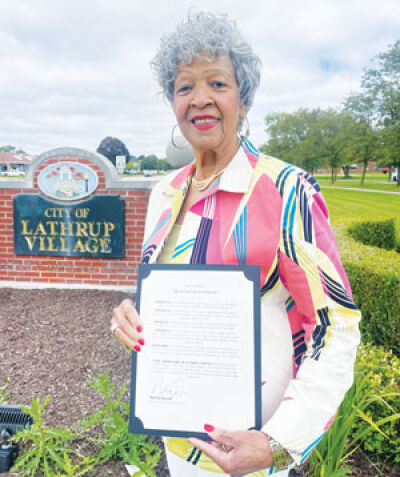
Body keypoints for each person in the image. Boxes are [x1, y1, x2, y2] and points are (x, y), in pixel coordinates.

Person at [110, 11, 361, 477]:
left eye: (217, 84)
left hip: (252, 456)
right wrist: (131, 316)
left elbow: (336, 325)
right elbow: (166, 302)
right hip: (175, 443)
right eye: (185, 87)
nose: (200, 98)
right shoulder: (163, 193)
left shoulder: (287, 190)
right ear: (173, 103)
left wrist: (278, 442)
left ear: (243, 100)